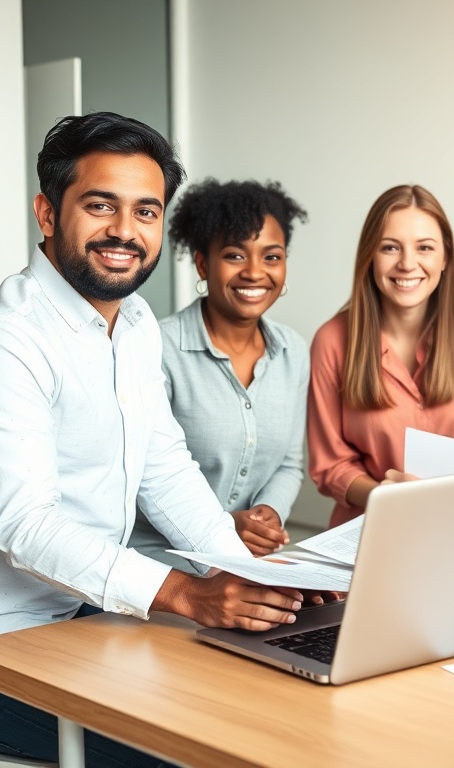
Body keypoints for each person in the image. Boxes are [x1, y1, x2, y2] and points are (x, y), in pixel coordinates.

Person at [0, 113, 310, 766]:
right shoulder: (2, 342)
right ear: (47, 214)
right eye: (100, 206)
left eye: (145, 211)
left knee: (269, 707)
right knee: (200, 749)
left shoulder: (132, 324)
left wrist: (248, 575)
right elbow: (27, 526)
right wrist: (187, 593)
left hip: (80, 618)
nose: (124, 232)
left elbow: (165, 469)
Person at [128, 179, 309, 570]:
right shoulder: (156, 346)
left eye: (272, 257)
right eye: (234, 255)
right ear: (202, 263)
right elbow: (141, 474)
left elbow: (290, 464)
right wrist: (223, 527)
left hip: (248, 565)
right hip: (161, 567)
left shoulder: (293, 350)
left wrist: (269, 514)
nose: (255, 272)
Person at [307, 184, 454, 527]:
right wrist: (383, 495)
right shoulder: (331, 341)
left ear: (445, 256)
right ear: (369, 256)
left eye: (424, 248)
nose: (407, 264)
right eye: (390, 247)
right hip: (369, 527)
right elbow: (330, 465)